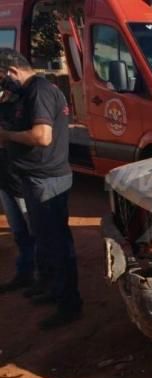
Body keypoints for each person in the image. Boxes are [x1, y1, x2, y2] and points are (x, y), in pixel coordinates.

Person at [0, 49, 81, 329]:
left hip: (47, 180)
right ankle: (51, 289)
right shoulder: (25, 93)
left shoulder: (40, 91)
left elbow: (42, 136)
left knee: (57, 242)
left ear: (11, 71)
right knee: (45, 241)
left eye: (1, 77)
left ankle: (69, 305)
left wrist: (6, 135)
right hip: (33, 178)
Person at [0, 84, 36, 294]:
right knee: (19, 233)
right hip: (4, 181)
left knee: (37, 233)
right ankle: (25, 274)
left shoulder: (19, 104)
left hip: (21, 180)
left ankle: (45, 279)